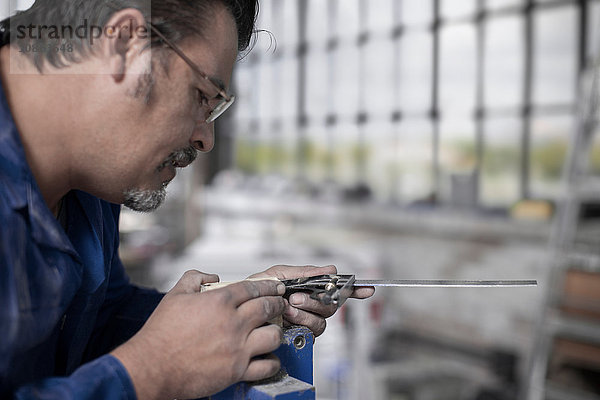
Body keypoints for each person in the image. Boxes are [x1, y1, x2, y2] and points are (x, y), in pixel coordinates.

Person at [0, 0, 374, 399]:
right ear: (124, 43)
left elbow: (93, 324)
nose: (205, 140)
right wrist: (149, 374)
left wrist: (237, 312)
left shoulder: (88, 182)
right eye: (202, 96)